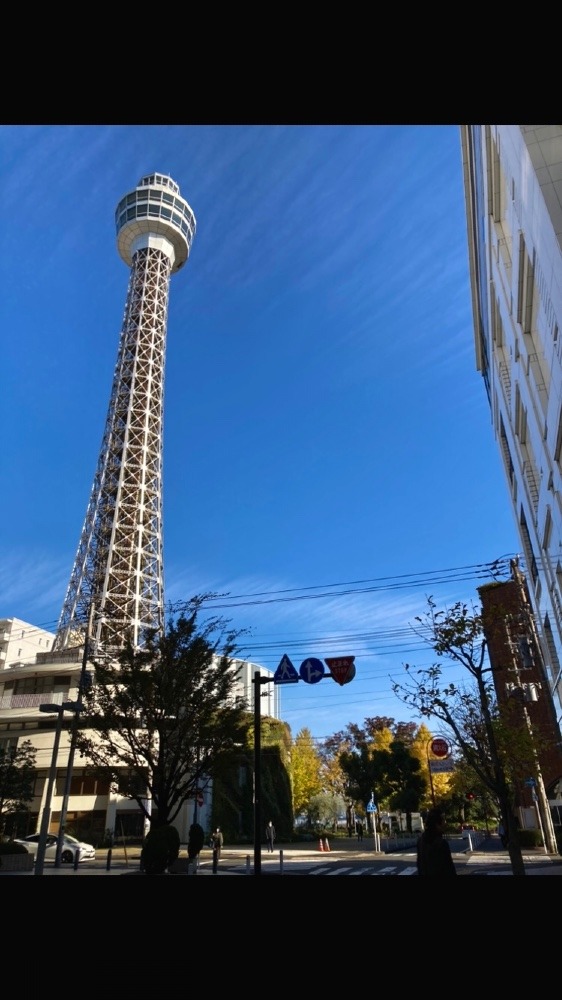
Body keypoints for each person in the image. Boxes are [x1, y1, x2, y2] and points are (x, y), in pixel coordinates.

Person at [416, 808, 457, 876]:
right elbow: (449, 868)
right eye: (443, 820)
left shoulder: (420, 840)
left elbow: (419, 865)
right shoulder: (441, 843)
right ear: (437, 825)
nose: (445, 823)